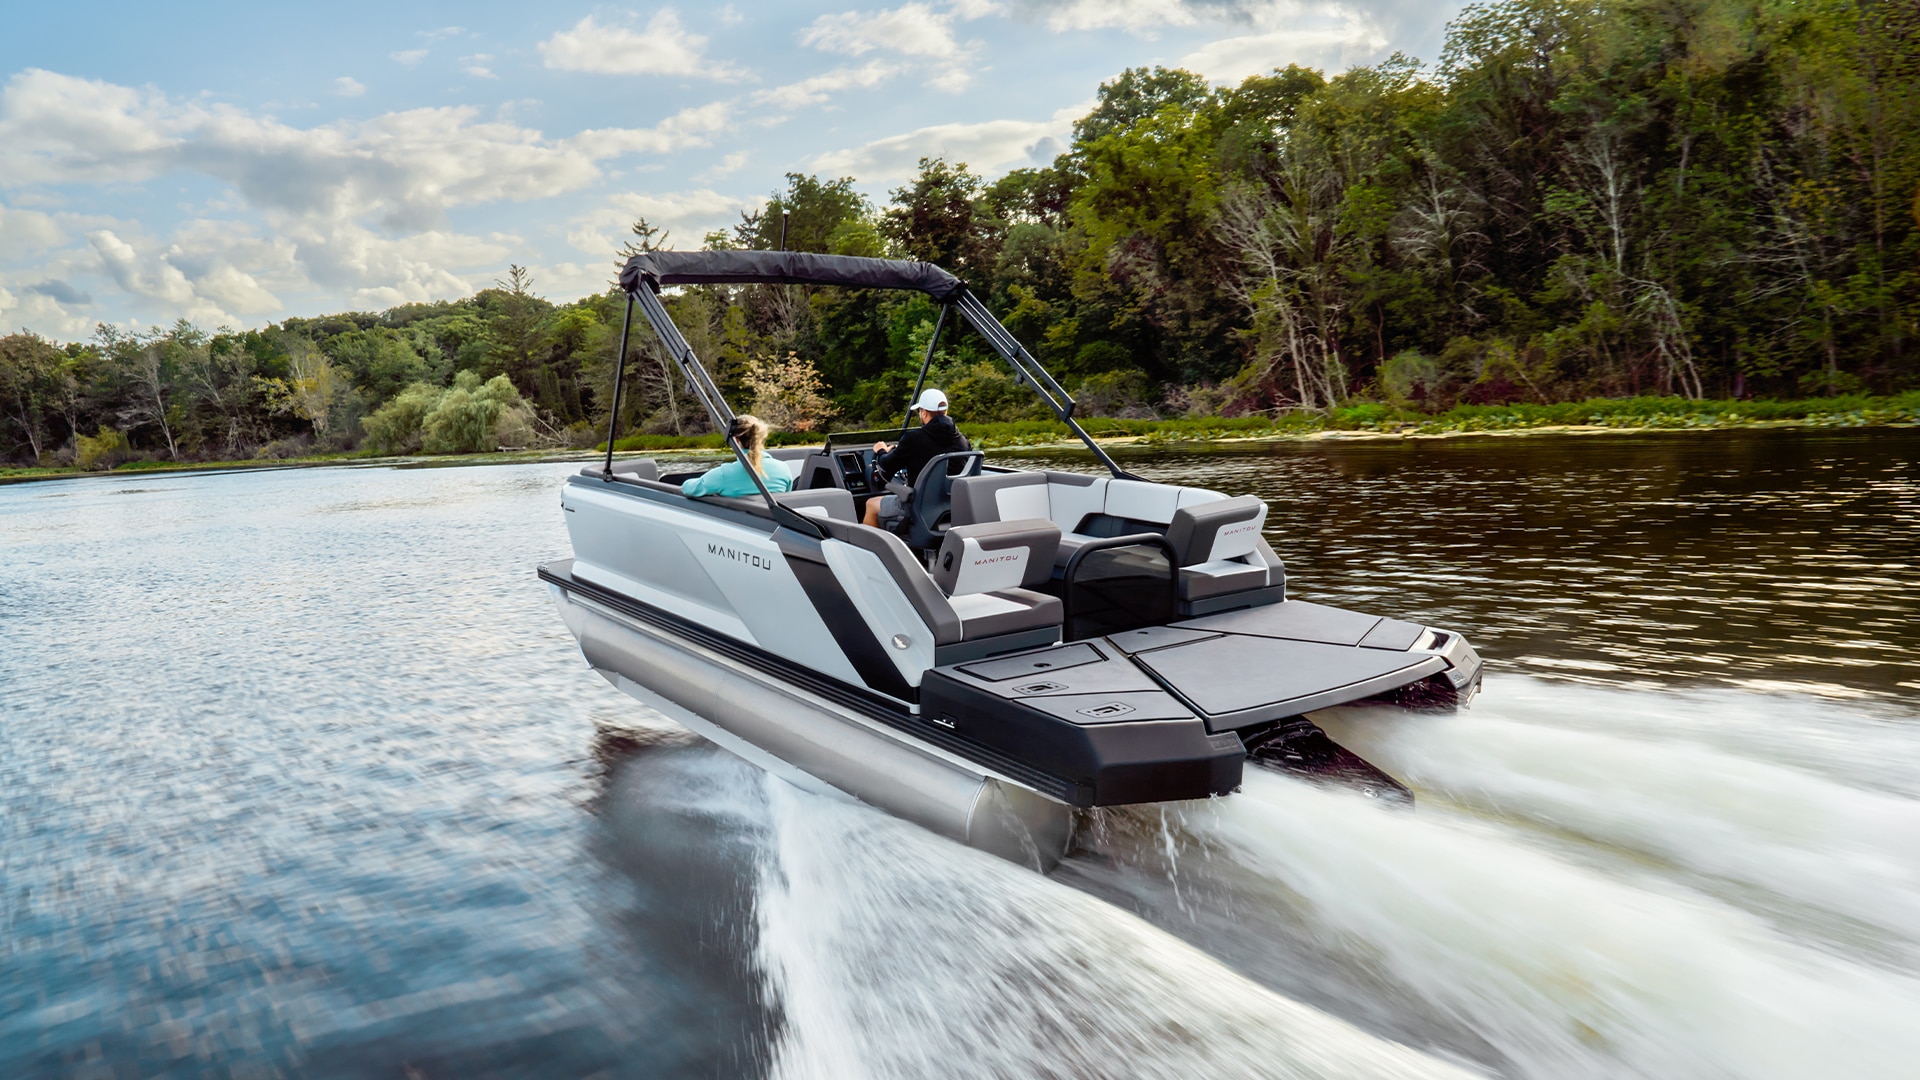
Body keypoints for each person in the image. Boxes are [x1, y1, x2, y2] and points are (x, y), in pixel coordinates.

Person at [862, 388, 968, 529]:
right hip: (953, 507)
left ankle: (876, 550)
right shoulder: (962, 441)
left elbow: (887, 465)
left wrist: (881, 451)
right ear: (945, 412)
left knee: (871, 505)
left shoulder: (914, 438)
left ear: (924, 413)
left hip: (919, 505)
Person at [681, 414, 792, 498]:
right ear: (761, 438)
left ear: (735, 440)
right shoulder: (783, 468)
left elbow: (689, 488)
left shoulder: (724, 473)